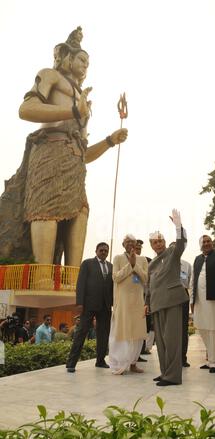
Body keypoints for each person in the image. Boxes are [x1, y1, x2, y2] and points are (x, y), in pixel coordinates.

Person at [10, 26, 128, 266]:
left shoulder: (82, 97)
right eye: (82, 59)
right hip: (49, 152)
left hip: (74, 162)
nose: (85, 65)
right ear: (67, 58)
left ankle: (73, 279)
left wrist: (109, 141)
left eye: (88, 62)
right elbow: (26, 109)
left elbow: (83, 153)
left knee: (80, 212)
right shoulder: (50, 76)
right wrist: (74, 110)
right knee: (46, 209)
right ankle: (42, 275)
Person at [146, 209, 188, 386]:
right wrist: (146, 304)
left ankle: (173, 376)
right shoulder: (151, 264)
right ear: (152, 245)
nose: (158, 244)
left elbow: (180, 245)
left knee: (172, 340)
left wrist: (178, 227)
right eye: (155, 242)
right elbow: (149, 286)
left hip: (172, 301)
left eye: (160, 241)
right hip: (156, 304)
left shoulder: (172, 253)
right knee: (161, 342)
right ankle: (165, 372)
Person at [66, 242, 113, 372]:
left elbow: (112, 287)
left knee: (103, 334)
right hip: (88, 305)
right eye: (101, 250)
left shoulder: (111, 266)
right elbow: (80, 283)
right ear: (96, 251)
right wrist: (79, 303)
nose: (103, 252)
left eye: (106, 250)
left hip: (105, 306)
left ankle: (100, 360)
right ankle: (71, 364)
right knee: (81, 333)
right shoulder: (87, 263)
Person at [109, 234, 148, 375]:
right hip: (123, 301)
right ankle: (120, 364)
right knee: (123, 331)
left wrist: (135, 264)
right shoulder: (118, 258)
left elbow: (145, 278)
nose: (130, 244)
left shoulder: (142, 259)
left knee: (136, 332)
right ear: (123, 244)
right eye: (127, 242)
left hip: (137, 301)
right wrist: (130, 265)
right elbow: (116, 277)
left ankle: (133, 363)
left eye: (133, 242)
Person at [190, 235, 215, 373]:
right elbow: (193, 280)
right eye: (203, 242)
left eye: (208, 241)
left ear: (212, 243)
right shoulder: (197, 259)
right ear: (200, 245)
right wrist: (192, 300)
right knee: (203, 329)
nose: (206, 244)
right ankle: (210, 359)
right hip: (200, 301)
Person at [169, 241, 192, 367]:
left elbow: (189, 283)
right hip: (169, 297)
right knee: (170, 329)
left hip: (183, 296)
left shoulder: (187, 265)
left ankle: (183, 358)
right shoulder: (164, 264)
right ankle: (171, 359)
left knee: (183, 329)